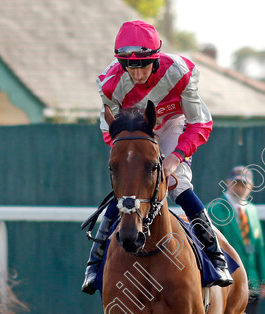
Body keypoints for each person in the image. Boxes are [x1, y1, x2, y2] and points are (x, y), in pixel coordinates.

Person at [81, 20, 232, 294]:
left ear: (156, 58)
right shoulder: (109, 84)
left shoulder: (182, 72)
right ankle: (94, 264)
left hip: (174, 123)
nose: (136, 73)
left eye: (142, 65)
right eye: (129, 66)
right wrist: (132, 160)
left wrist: (175, 157)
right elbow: (110, 133)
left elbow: (200, 124)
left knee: (178, 184)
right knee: (128, 190)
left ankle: (214, 255)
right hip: (134, 131)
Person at [210, 166, 265, 314]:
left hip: (251, 280)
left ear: (251, 187)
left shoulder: (251, 210)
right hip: (228, 280)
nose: (240, 187)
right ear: (228, 183)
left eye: (244, 184)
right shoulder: (216, 209)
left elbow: (259, 246)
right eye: (236, 183)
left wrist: (264, 279)